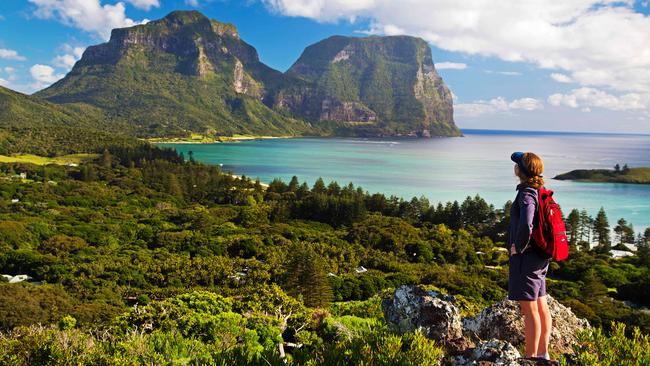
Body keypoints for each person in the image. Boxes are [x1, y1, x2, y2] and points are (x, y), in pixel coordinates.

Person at [507, 151, 552, 361]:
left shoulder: (526, 193)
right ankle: (542, 354)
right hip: (540, 258)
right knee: (541, 304)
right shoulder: (539, 190)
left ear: (520, 171)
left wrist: (520, 246)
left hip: (528, 259)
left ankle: (530, 357)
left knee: (529, 307)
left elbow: (527, 222)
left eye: (517, 164)